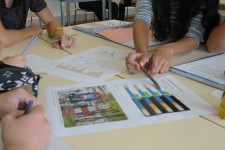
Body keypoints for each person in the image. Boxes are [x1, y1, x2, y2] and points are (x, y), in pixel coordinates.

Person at [126, 0, 220, 75]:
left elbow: (194, 35)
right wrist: (142, 53)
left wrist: (169, 49)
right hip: (165, 44)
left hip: (194, 55)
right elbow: (142, 19)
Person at [0, 0, 75, 49]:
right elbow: (2, 40)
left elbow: (50, 21)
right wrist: (31, 30)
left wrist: (58, 33)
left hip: (17, 50)